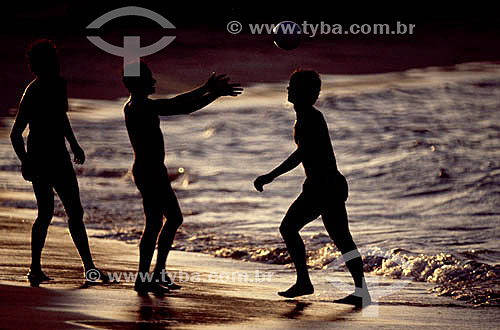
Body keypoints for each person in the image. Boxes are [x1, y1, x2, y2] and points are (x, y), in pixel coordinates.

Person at [122, 62, 242, 295]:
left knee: (162, 222)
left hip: (151, 170)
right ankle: (148, 275)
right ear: (136, 83)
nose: (154, 81)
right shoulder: (139, 107)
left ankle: (151, 274)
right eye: (149, 78)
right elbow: (179, 106)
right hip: (149, 171)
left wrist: (207, 89)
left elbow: (177, 103)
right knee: (166, 220)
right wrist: (212, 93)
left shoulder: (137, 105)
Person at [254, 69, 370, 308]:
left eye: (293, 87)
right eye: (289, 86)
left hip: (323, 187)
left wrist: (270, 176)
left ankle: (306, 282)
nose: (288, 90)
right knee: (341, 238)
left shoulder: (309, 117)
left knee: (289, 228)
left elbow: (301, 155)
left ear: (306, 94)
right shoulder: (306, 116)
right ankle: (360, 291)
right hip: (326, 185)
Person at [10, 39, 107, 286]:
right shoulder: (31, 92)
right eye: (51, 60)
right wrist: (26, 162)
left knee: (74, 211)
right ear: (39, 65)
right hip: (41, 158)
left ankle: (89, 267)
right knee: (46, 213)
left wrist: (74, 145)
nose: (56, 64)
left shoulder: (58, 84)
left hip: (60, 156)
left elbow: (61, 117)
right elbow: (15, 132)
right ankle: (35, 268)